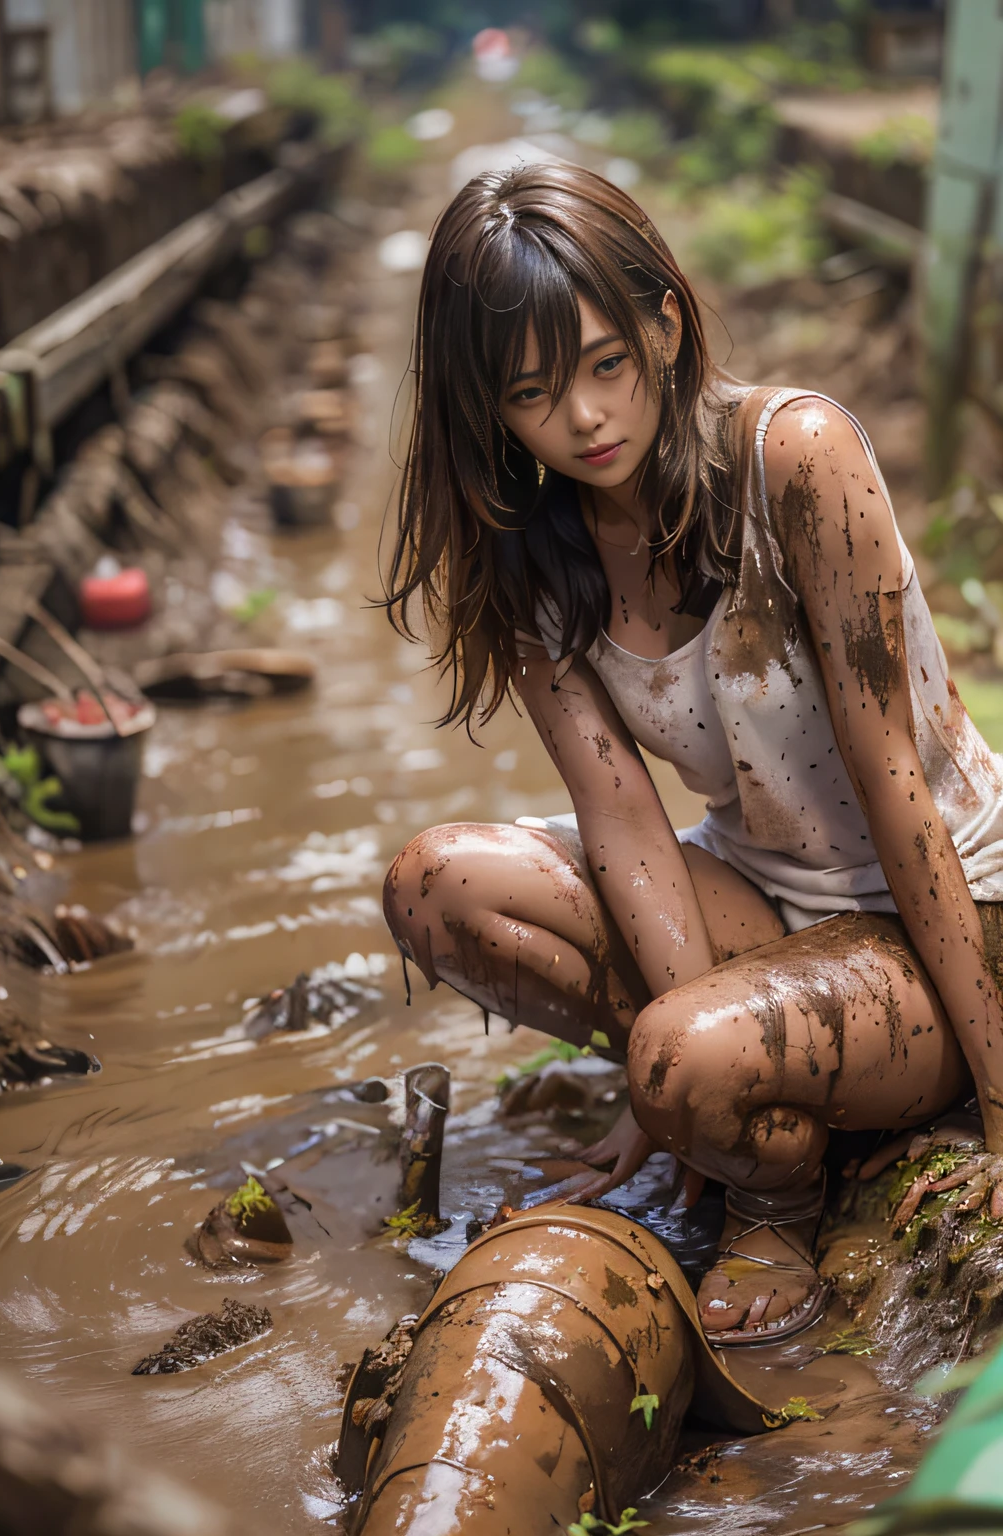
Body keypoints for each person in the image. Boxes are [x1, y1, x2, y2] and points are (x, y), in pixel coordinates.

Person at [381, 160, 1003, 1344]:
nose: (586, 421)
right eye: (532, 395)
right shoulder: (531, 553)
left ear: (663, 323)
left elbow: (892, 780)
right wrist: (672, 1090)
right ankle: (743, 1126)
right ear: (487, 412)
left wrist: (1001, 1098)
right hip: (761, 902)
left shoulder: (795, 459)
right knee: (436, 882)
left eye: (606, 365)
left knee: (680, 1055)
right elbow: (619, 818)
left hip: (963, 911)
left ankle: (775, 1199)